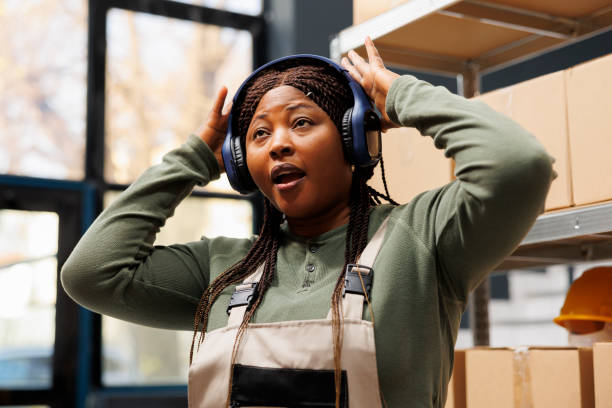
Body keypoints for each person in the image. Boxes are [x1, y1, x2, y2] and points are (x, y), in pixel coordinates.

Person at [61, 38, 554, 407]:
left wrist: (401, 96)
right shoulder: (221, 268)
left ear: (354, 139)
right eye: (258, 134)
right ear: (238, 161)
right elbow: (91, 274)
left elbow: (516, 163)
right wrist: (194, 157)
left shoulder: (422, 239)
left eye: (301, 122)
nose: (277, 143)